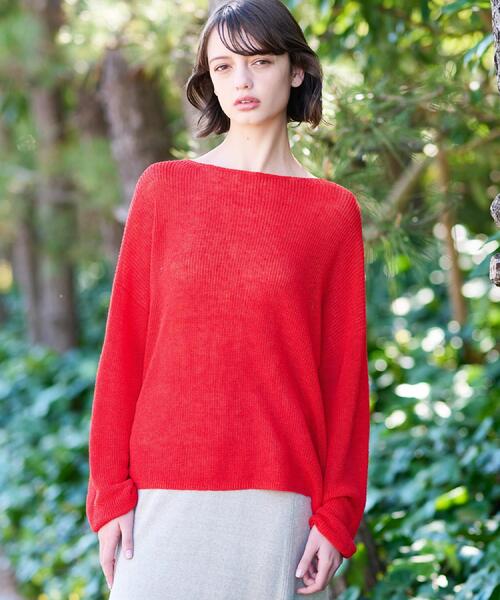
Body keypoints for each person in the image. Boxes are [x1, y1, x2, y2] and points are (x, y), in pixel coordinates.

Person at [85, 1, 371, 598]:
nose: (241, 81)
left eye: (259, 61)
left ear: (296, 70)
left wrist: (337, 513)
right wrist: (109, 492)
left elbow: (343, 377)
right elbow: (124, 353)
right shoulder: (165, 190)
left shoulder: (332, 213)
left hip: (278, 496)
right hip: (161, 491)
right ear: (210, 81)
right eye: (223, 66)